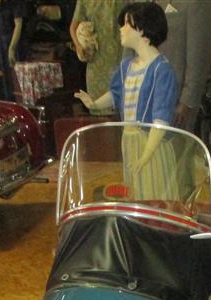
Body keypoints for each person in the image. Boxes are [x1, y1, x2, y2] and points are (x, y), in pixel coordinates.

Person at [75, 3, 179, 198]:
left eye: (126, 24)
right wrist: (94, 103)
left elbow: (161, 119)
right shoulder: (127, 66)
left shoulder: (161, 70)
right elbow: (116, 94)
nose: (121, 29)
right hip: (129, 139)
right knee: (135, 192)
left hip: (151, 143)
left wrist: (146, 155)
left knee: (153, 191)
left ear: (143, 29)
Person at [153, 0, 211, 132]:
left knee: (172, 144)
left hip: (175, 99)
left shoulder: (199, 3)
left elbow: (200, 52)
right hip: (140, 95)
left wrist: (188, 101)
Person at [70, 0, 129, 114]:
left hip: (121, 56)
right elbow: (73, 26)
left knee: (122, 107)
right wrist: (78, 45)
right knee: (97, 108)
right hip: (96, 62)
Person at [0, 0, 29, 101]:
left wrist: (12, 48)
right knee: (7, 79)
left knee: (17, 79)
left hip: (17, 43)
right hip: (2, 44)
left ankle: (21, 104)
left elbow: (18, 25)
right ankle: (10, 103)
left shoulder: (15, 3)